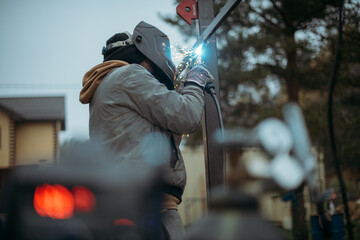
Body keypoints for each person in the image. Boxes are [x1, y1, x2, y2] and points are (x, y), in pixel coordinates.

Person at [79, 21, 214, 239]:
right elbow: (186, 116)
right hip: (148, 205)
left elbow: (162, 135)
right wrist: (195, 81)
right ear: (141, 53)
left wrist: (180, 91)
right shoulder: (129, 75)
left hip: (130, 201)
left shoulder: (107, 86)